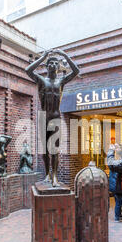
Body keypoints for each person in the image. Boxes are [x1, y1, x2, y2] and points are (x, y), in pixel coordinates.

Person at [25, 49, 79, 187]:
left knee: (54, 150)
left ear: (58, 66)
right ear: (47, 66)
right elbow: (28, 71)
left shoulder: (61, 81)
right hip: (44, 117)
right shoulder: (42, 80)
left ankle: (55, 176)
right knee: (44, 150)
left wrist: (65, 55)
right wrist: (43, 57)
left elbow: (76, 71)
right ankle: (48, 174)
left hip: (55, 117)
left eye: (56, 63)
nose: (54, 65)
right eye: (51, 63)